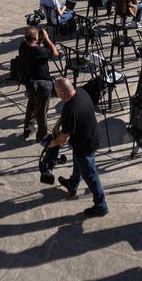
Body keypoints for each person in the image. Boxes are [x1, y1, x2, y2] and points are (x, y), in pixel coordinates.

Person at [51, 77, 108, 217]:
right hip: (90, 137)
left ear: (63, 94)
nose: (56, 95)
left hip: (85, 146)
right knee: (78, 163)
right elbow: (67, 113)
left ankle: (101, 206)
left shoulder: (71, 110)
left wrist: (52, 144)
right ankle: (72, 185)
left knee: (91, 176)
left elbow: (63, 138)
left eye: (57, 93)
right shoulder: (81, 92)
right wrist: (58, 123)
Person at [19, 26, 59, 139]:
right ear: (36, 38)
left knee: (31, 105)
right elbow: (55, 53)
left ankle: (27, 129)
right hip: (42, 86)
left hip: (29, 84)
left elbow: (35, 45)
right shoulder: (39, 51)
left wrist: (39, 40)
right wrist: (46, 38)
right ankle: (42, 135)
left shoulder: (22, 46)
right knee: (41, 112)